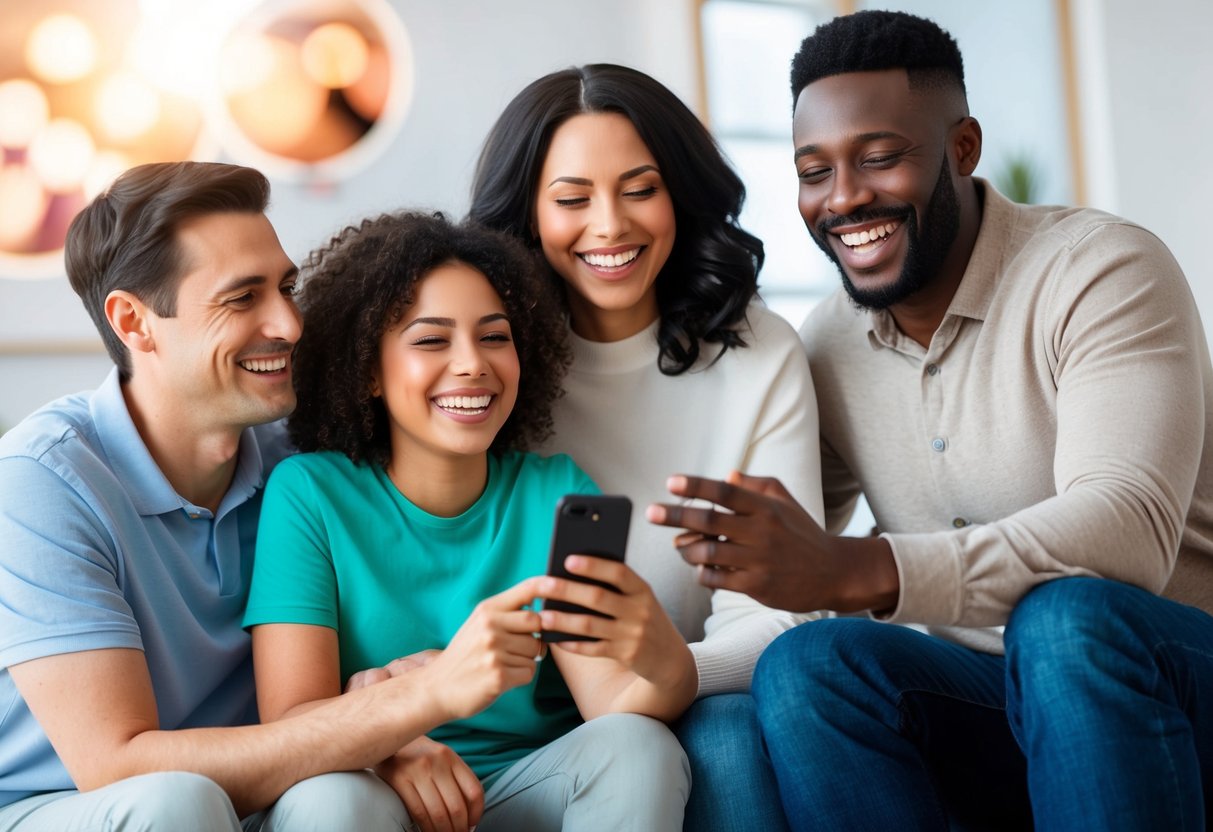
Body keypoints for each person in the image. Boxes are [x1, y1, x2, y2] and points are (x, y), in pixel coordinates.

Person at [647, 9, 1213, 830]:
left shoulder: (1102, 271)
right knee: (811, 665)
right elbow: (791, 571)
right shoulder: (829, 348)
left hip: (1162, 678)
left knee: (1062, 623)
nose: (843, 199)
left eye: (879, 158)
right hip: (987, 702)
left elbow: (1124, 529)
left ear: (962, 148)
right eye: (814, 171)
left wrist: (863, 569)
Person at [0, 162, 546, 831]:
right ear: (133, 322)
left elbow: (335, 693)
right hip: (65, 806)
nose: (289, 323)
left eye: (286, 288)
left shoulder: (304, 458)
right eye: (242, 298)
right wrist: (401, 711)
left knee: (340, 797)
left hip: (258, 794)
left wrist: (377, 732)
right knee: (178, 801)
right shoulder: (43, 481)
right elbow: (116, 766)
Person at [244, 211, 690, 832]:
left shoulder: (558, 492)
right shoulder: (310, 493)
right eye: (431, 340)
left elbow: (614, 703)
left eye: (494, 336)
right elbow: (289, 723)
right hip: (375, 794)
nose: (473, 364)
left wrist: (668, 659)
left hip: (524, 792)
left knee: (641, 747)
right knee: (333, 799)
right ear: (368, 370)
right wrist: (387, 739)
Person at [469, 63, 825, 832]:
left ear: (681, 194)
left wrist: (671, 674)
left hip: (687, 697)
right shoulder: (483, 363)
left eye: (639, 189)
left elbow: (782, 606)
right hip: (518, 723)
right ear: (527, 213)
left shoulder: (757, 354)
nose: (609, 226)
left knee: (722, 734)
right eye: (571, 199)